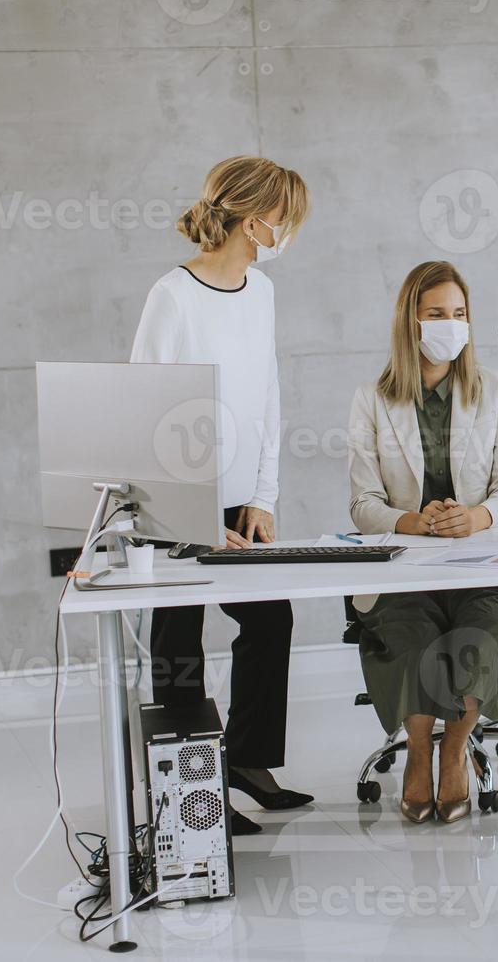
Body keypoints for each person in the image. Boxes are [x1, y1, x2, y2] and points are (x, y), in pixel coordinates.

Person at [131, 155, 312, 835]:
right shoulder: (172, 295)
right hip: (178, 502)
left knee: (270, 619)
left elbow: (266, 395)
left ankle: (247, 762)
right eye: (285, 215)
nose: (290, 229)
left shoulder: (260, 290)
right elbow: (144, 413)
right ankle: (192, 797)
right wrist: (188, 516)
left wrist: (262, 496)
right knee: (179, 641)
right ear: (253, 215)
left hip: (240, 498)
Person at [347, 261, 498, 825]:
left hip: (483, 561)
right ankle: (418, 757)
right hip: (407, 560)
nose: (449, 325)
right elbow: (362, 505)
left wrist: (475, 516)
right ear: (410, 322)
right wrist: (411, 521)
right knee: (411, 634)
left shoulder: (494, 389)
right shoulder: (373, 398)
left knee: (473, 636)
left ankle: (454, 751)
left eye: (458, 314)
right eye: (435, 315)